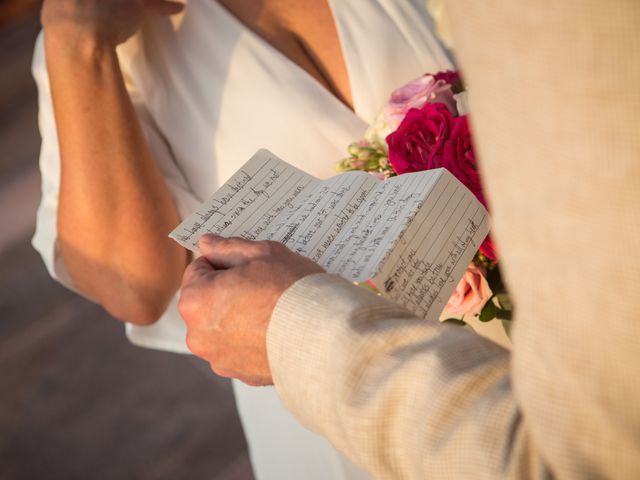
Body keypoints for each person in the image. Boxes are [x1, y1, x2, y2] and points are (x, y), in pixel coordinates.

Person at [178, 0, 640, 478]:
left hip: (519, 349)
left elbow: (586, 458)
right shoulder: (131, 55)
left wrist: (294, 327)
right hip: (323, 403)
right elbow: (136, 288)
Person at [32, 0, 455, 478]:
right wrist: (76, 41)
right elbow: (131, 287)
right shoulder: (101, 32)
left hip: (530, 347)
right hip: (340, 417)